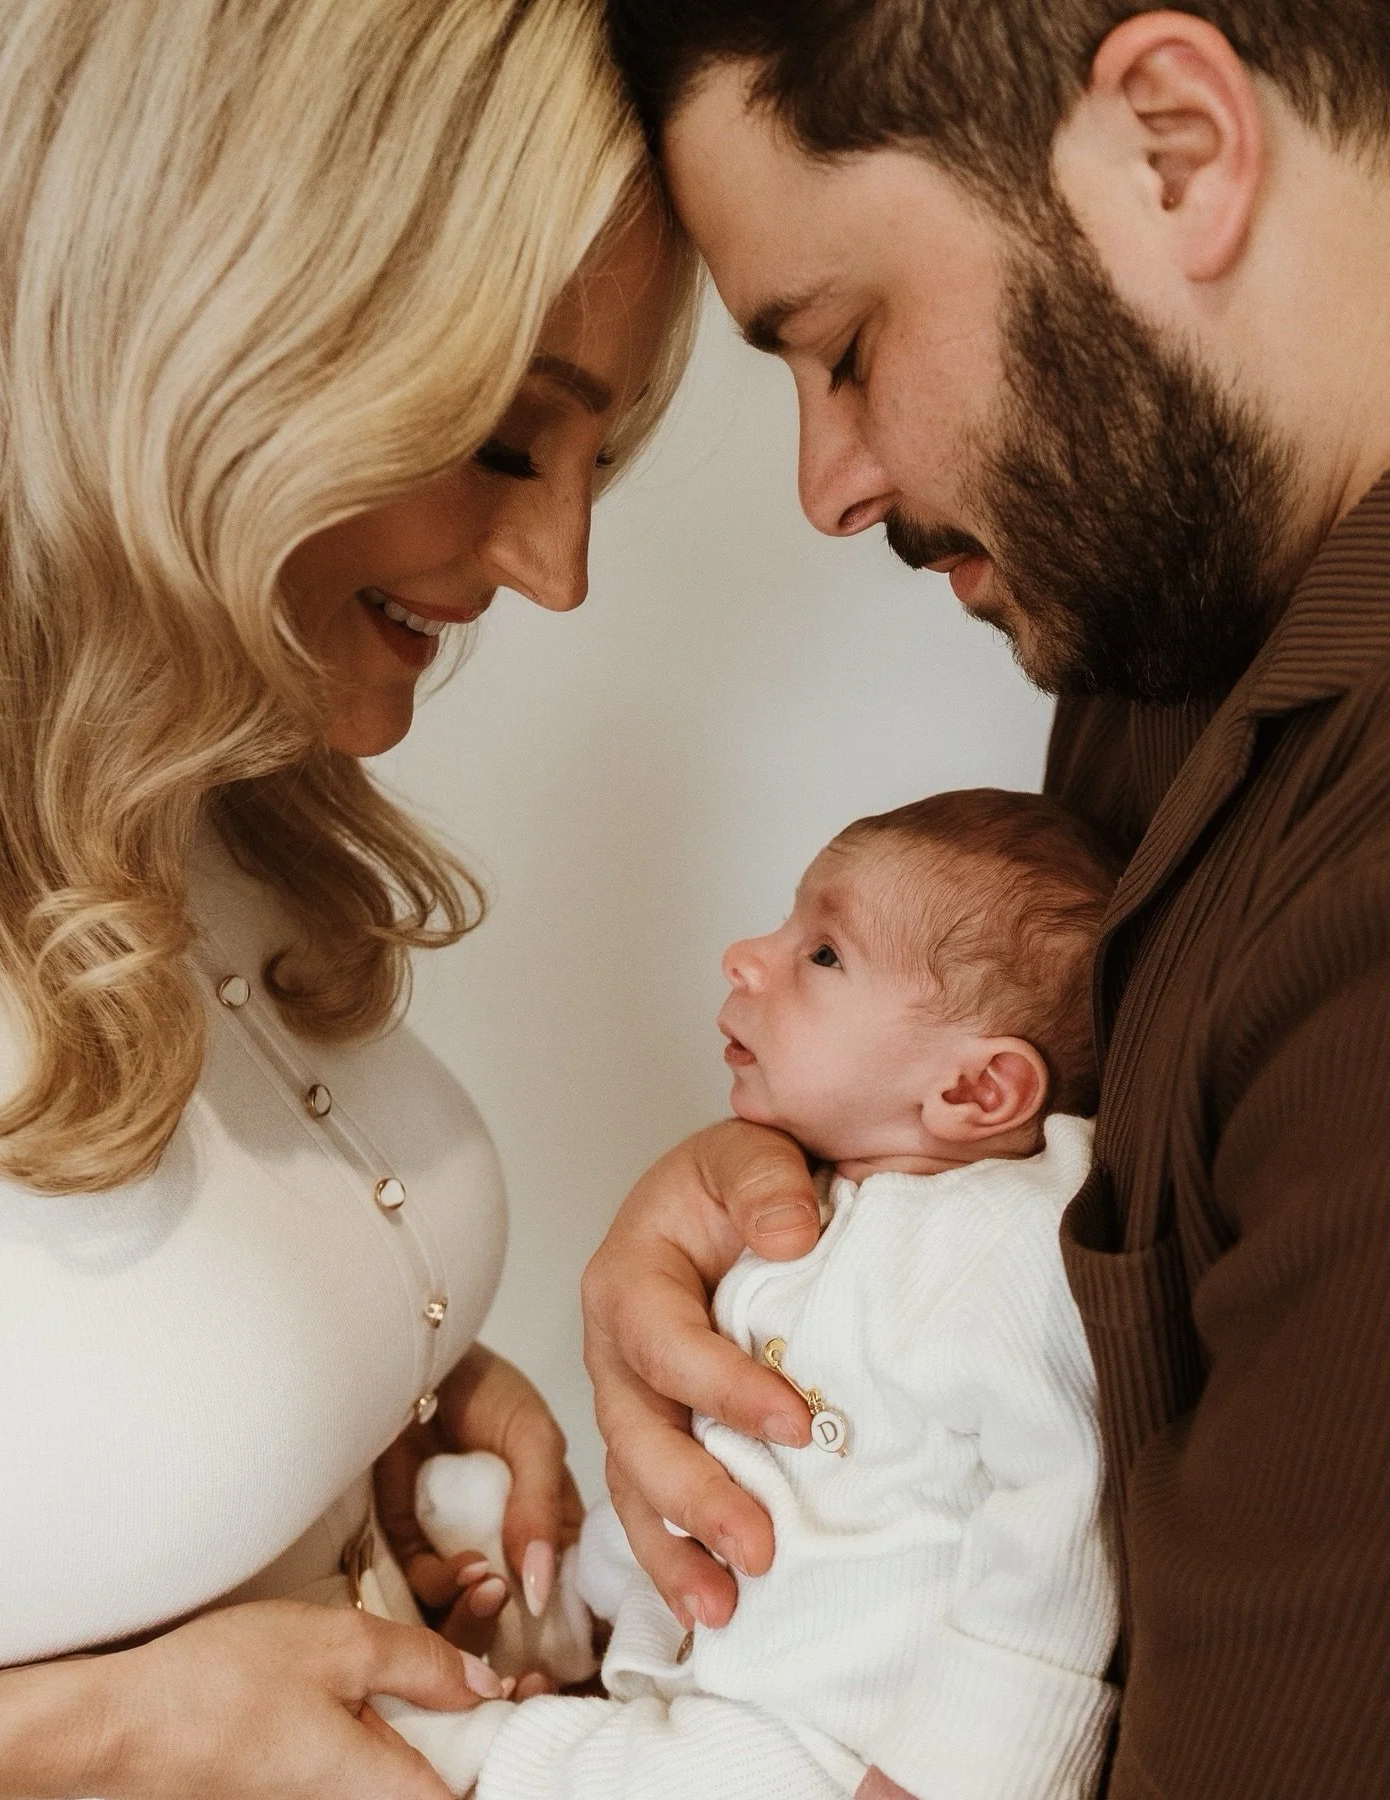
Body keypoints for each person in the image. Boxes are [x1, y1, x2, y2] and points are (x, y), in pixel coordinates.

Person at [585, 5, 1390, 1798]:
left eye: (846, 345)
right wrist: (769, 1194)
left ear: (1172, 147)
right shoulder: (1168, 631)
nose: (828, 484)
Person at [0, 4, 696, 1797]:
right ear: (211, 324)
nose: (562, 569)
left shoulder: (199, 785)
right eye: (512, 444)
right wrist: (103, 1732)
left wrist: (375, 1412)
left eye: (603, 460)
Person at [396, 790, 1123, 1800]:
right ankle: (562, 1605)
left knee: (622, 1778)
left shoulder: (1007, 1244)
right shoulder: (817, 1192)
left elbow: (1061, 1527)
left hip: (830, 1735)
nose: (746, 954)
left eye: (823, 954)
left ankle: (465, 1753)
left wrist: (960, 1771)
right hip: (721, 1647)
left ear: (976, 1092)